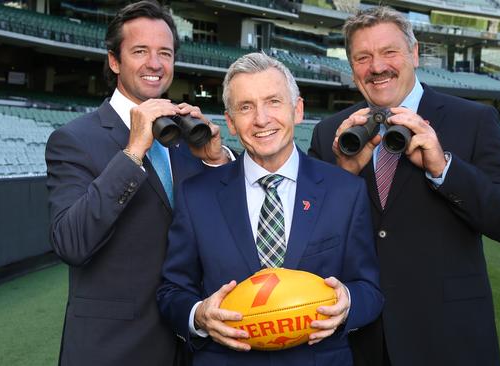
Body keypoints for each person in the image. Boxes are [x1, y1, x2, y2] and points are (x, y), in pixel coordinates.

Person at [309, 6, 500, 366]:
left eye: (389, 52)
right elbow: (309, 242)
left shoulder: (472, 120)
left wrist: (444, 168)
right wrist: (342, 174)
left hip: (448, 340)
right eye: (363, 57)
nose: (377, 67)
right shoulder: (330, 133)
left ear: (414, 53)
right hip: (359, 343)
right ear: (351, 67)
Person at [157, 52, 384, 366]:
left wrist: (349, 302)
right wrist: (199, 315)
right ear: (232, 122)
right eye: (246, 107)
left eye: (273, 101)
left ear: (297, 109)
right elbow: (172, 291)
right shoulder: (196, 195)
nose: (261, 119)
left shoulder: (345, 190)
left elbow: (369, 289)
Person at [45, 1, 233, 365]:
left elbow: (221, 227)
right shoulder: (73, 139)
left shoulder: (184, 135)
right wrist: (133, 152)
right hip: (113, 349)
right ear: (114, 61)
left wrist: (215, 160)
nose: (155, 63)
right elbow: (70, 241)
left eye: (165, 52)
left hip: (191, 343)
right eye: (140, 51)